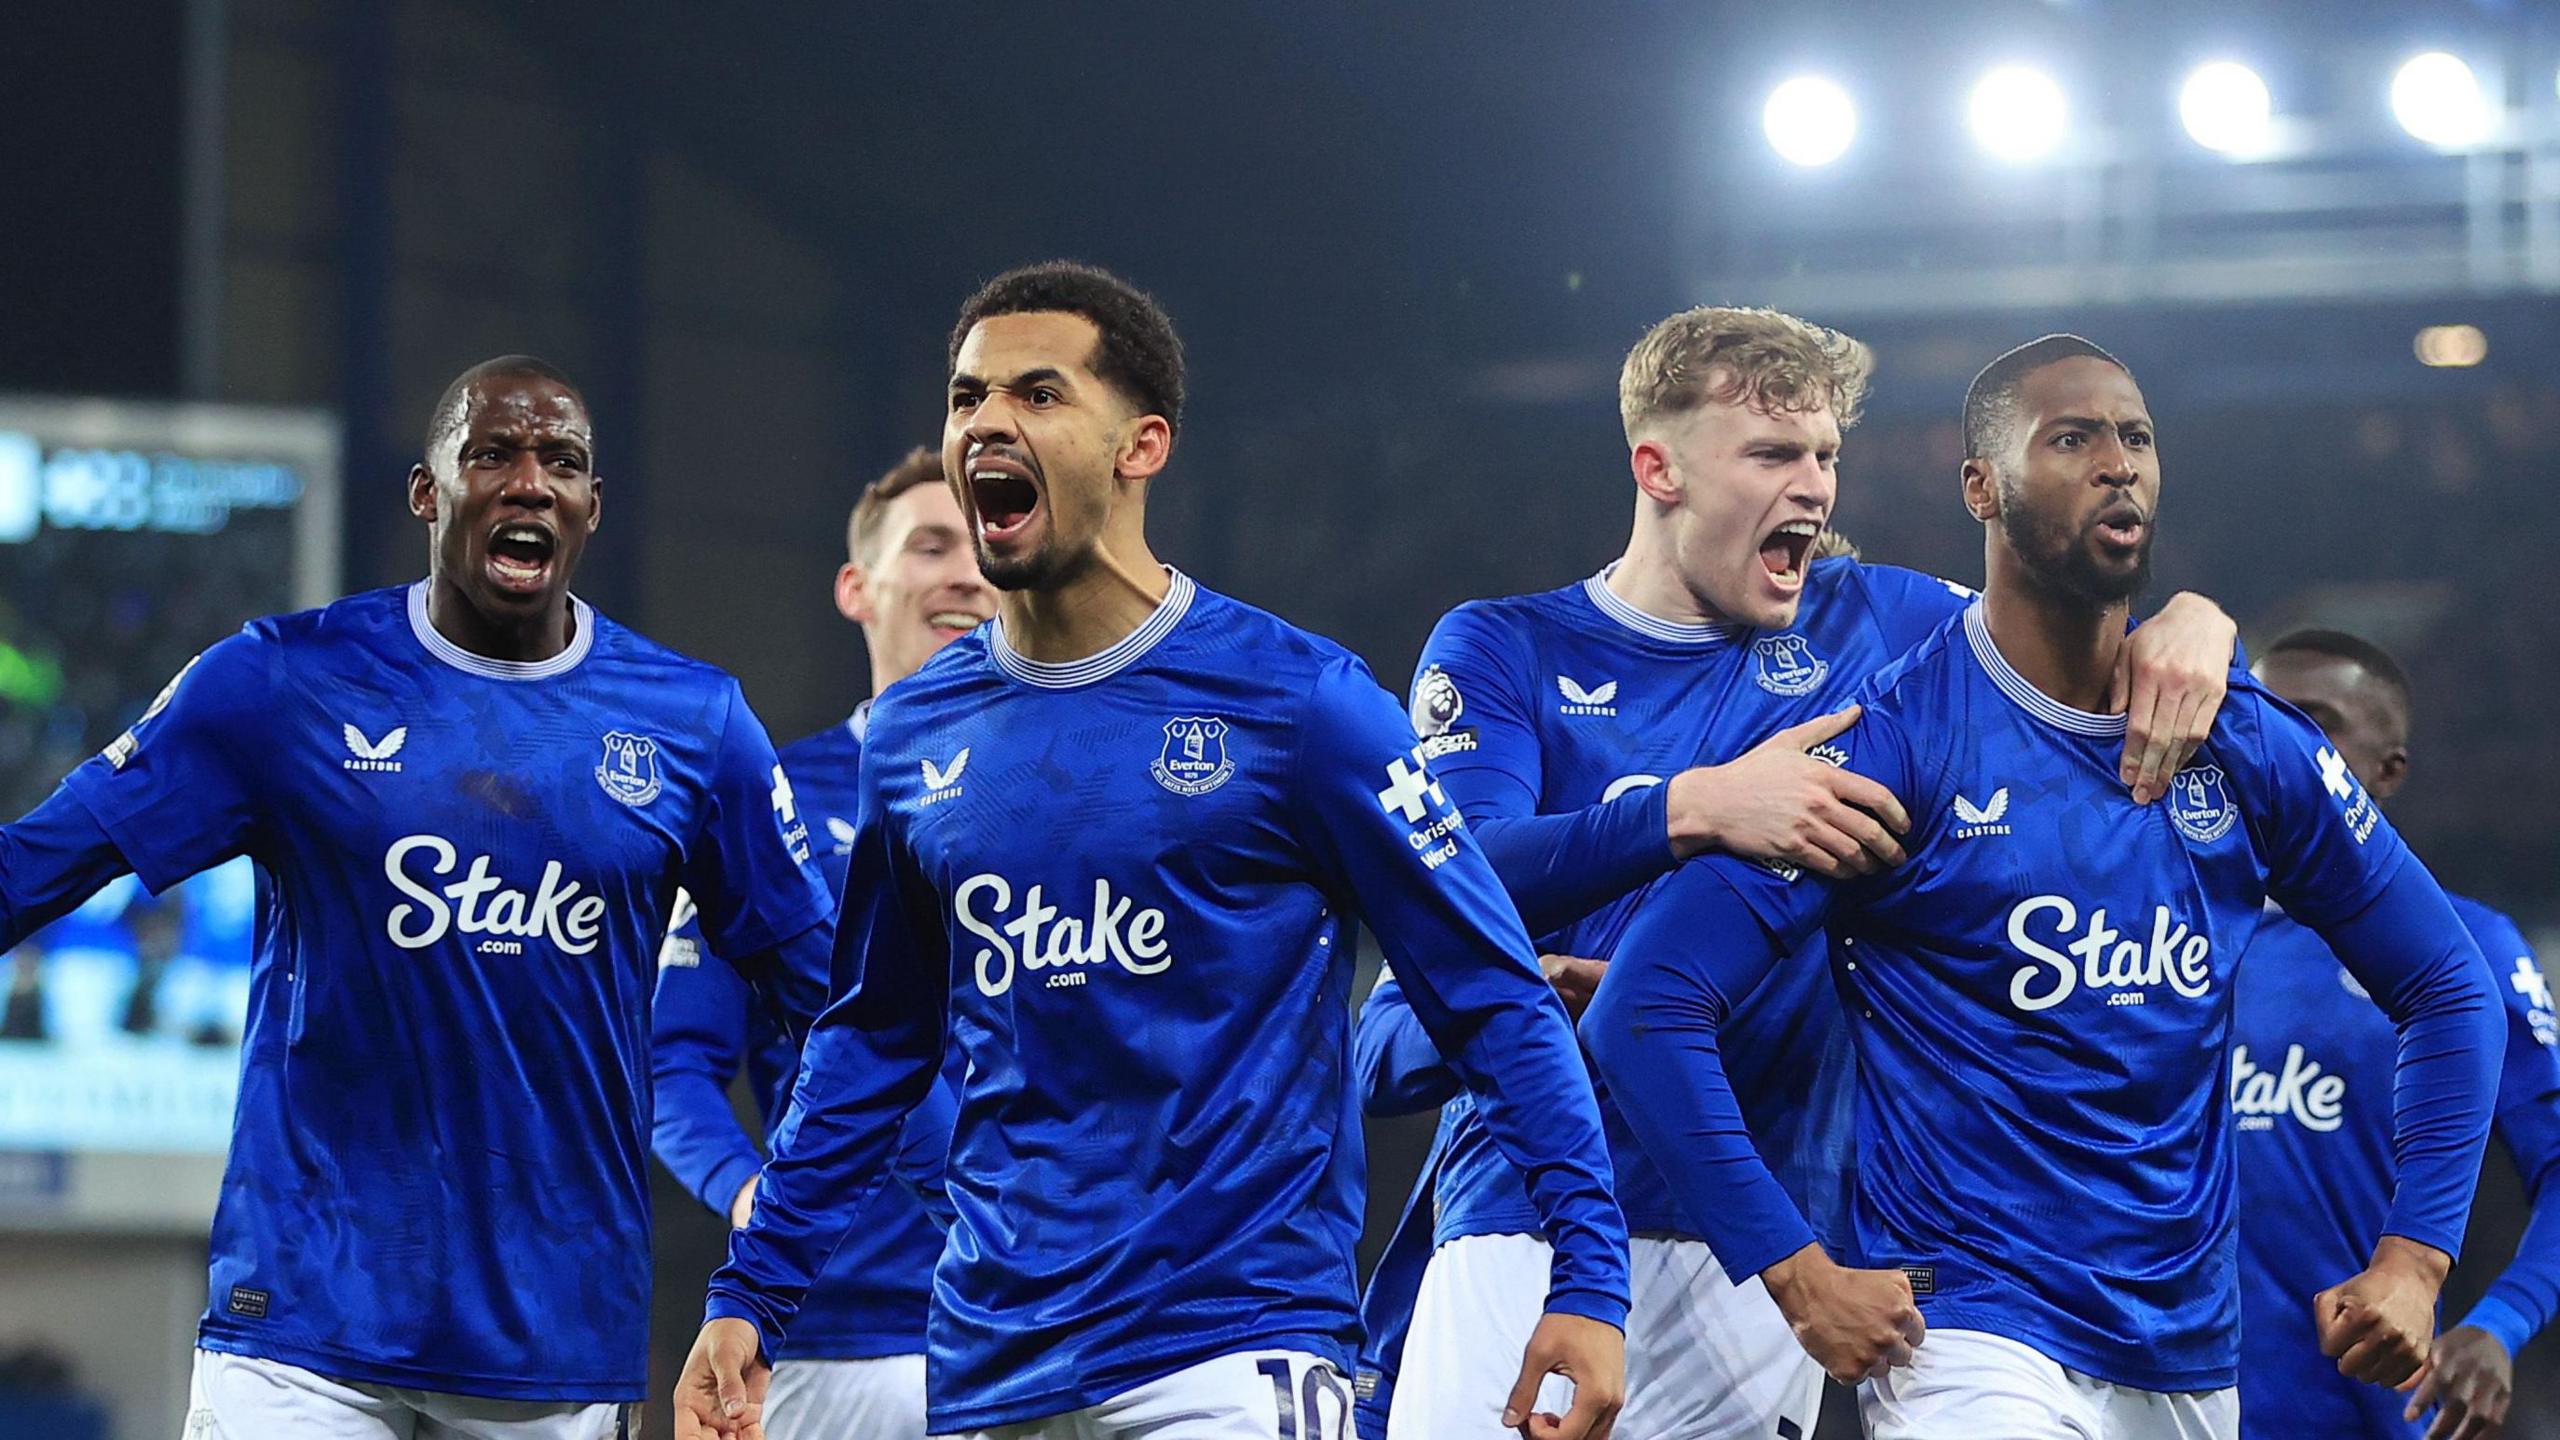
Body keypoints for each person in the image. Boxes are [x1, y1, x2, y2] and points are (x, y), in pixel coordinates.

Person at [672, 261, 1632, 1440]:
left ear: (1141, 446)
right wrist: (753, 1291)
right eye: (966, 396)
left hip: (1227, 1351)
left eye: (1036, 393)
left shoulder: (1299, 702)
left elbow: (1490, 994)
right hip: (988, 1365)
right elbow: (873, 1037)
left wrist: (1590, 1277)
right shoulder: (919, 734)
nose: (985, 422)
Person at [1583, 334, 2505, 1440]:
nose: (2118, 462)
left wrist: (2414, 1257)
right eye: (2071, 438)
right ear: (1981, 485)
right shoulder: (1899, 744)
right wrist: (1794, 1272)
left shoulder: (2242, 738)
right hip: (1972, 1339)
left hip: (2184, 1352)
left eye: (2136, 438)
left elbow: (2449, 983)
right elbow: (1646, 1005)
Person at [1354, 307, 2241, 1440]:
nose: (1813, 485)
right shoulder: (1507, 647)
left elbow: (2074, 637)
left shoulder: (1879, 626)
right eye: (1772, 455)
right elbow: (1452, 877)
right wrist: (1694, 810)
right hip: (1530, 1219)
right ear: (1657, 467)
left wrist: (2202, 627)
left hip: (1761, 1241)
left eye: (1825, 454)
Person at [0, 356, 838, 1437]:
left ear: (592, 506)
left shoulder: (694, 724)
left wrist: (777, 1268)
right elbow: (35, 864)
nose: (529, 481)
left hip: (551, 1349)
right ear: (427, 491)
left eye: (562, 462)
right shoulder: (280, 683)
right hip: (301, 1332)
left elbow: (840, 1010)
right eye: (493, 453)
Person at [652, 445, 993, 1439]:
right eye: (930, 546)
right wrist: (745, 1189)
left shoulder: (1078, 796)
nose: (964, 571)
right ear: (858, 586)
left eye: (980, 546)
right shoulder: (773, 800)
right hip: (836, 1341)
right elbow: (674, 1061)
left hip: (1045, 1323)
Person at [2233, 629, 2560, 1440]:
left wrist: (2502, 1322)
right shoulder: (2167, 947)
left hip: (2369, 1419)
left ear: (2387, 772)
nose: (2279, 744)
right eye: (2264, 717)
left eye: (2315, 723)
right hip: (2161, 1411)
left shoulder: (2463, 952)